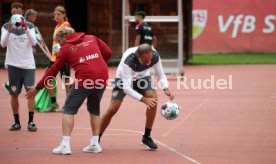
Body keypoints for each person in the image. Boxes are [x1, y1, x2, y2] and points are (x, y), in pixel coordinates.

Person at [26, 26, 112, 155]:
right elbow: (108, 53)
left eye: (59, 41)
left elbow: (53, 70)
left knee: (68, 110)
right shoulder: (91, 38)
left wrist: (38, 87)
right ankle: (95, 144)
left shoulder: (66, 48)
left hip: (85, 79)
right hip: (102, 76)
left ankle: (65, 145)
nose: (59, 45)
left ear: (64, 37)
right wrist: (98, 64)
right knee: (94, 109)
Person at [100, 43, 174, 150]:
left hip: (143, 78)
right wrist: (143, 99)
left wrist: (166, 87)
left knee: (153, 98)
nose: (148, 63)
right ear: (138, 56)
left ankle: (147, 137)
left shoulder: (155, 56)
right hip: (123, 79)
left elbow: (161, 74)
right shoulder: (128, 60)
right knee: (113, 108)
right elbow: (126, 88)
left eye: (149, 60)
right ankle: (96, 138)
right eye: (145, 61)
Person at [1, 2, 37, 131]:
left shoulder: (30, 26)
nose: (16, 15)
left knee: (30, 93)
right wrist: (9, 32)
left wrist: (26, 29)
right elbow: (3, 44)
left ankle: (31, 122)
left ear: (22, 12)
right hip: (13, 65)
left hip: (28, 65)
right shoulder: (6, 26)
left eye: (18, 12)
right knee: (14, 94)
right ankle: (16, 122)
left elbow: (34, 42)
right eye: (14, 12)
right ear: (11, 12)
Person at [46, 6, 71, 112]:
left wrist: (61, 48)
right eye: (55, 14)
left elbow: (68, 40)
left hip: (63, 58)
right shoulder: (57, 26)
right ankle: (54, 103)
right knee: (48, 79)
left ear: (64, 15)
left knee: (65, 81)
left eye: (58, 14)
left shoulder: (66, 25)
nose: (56, 16)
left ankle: (69, 104)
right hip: (54, 58)